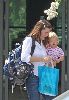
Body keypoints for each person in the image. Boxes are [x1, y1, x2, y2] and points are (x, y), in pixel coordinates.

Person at [21, 19, 56, 100]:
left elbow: (45, 59)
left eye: (48, 32)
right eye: (46, 32)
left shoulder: (43, 42)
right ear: (39, 30)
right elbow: (24, 57)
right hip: (33, 76)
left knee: (50, 98)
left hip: (45, 75)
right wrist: (42, 59)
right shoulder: (29, 40)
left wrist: (51, 62)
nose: (47, 35)